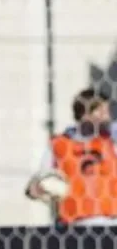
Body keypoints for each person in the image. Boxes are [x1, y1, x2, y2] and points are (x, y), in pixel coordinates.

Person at [26, 88, 117, 225]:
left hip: (111, 224)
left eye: (107, 112)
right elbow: (37, 183)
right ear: (84, 114)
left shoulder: (111, 141)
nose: (107, 117)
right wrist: (39, 188)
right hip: (73, 227)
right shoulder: (59, 144)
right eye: (101, 111)